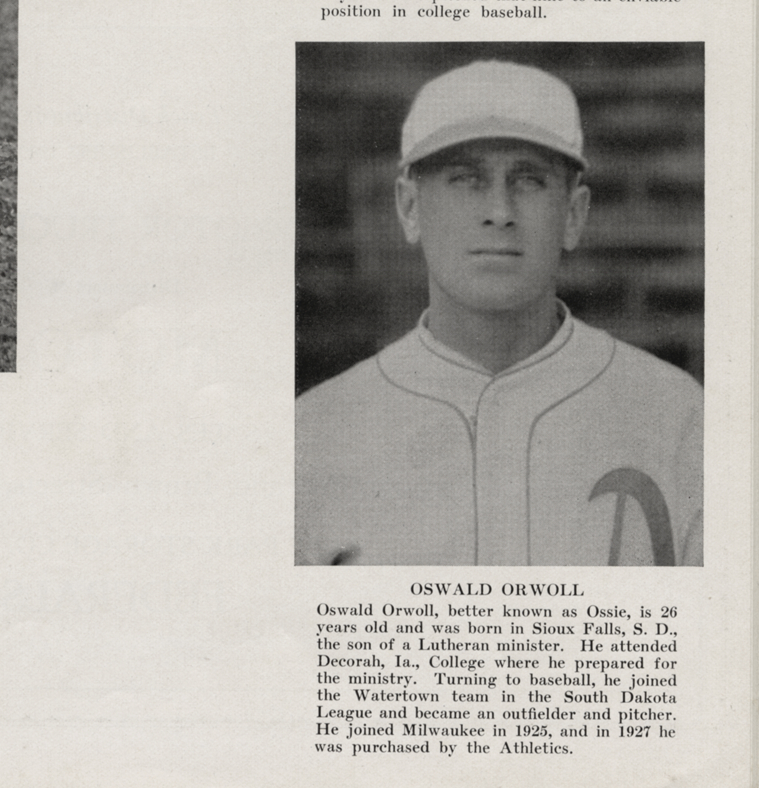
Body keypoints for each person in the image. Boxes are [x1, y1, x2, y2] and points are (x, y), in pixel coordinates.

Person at [295, 60, 703, 565]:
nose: (500, 210)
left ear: (574, 215)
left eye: (529, 180)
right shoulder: (313, 434)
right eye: (465, 178)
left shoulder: (678, 416)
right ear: (408, 208)